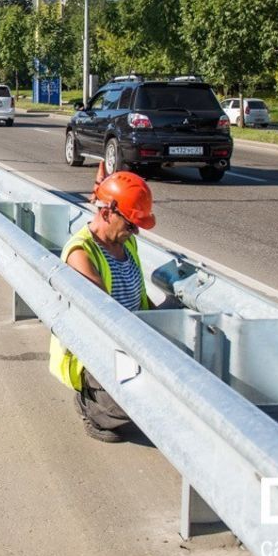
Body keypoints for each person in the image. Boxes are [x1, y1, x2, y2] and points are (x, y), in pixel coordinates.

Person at [49, 169, 158, 443]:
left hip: (133, 340)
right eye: (131, 223)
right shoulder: (81, 253)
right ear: (107, 213)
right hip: (101, 352)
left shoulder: (127, 241)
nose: (135, 231)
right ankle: (91, 406)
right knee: (139, 400)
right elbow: (104, 319)